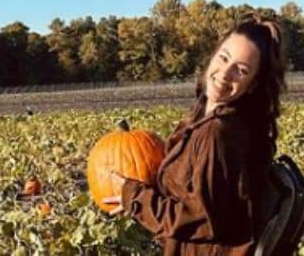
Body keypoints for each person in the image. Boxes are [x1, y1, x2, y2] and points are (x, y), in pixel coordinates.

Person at [102, 13, 286, 256]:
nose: (224, 73)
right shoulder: (216, 120)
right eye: (223, 58)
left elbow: (199, 218)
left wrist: (133, 196)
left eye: (240, 70)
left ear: (253, 83)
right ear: (213, 56)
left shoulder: (217, 133)